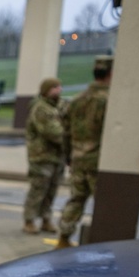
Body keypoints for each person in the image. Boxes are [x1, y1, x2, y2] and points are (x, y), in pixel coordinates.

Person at [57, 55, 112, 249]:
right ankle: (103, 245)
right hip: (98, 162)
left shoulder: (76, 100)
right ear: (111, 73)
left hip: (78, 159)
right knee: (105, 205)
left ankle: (63, 238)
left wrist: (68, 156)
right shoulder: (108, 101)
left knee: (76, 199)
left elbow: (65, 132)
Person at [22, 77, 65, 235]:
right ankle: (29, 220)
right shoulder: (41, 108)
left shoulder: (59, 106)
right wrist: (70, 138)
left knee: (51, 190)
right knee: (38, 190)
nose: (58, 90)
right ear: (46, 90)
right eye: (54, 87)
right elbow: (52, 132)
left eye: (59, 86)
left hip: (57, 157)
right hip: (41, 156)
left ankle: (46, 219)